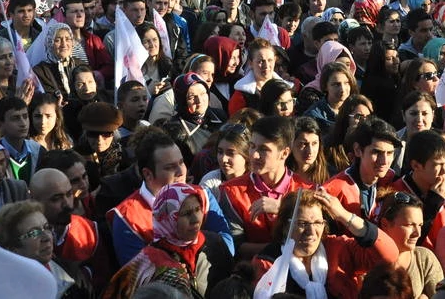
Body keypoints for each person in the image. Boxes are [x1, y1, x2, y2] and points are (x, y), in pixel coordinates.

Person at [108, 130, 231, 266]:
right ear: (148, 174)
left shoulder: (202, 195)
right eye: (170, 167)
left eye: (181, 162)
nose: (181, 172)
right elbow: (137, 275)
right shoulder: (128, 218)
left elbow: (227, 245)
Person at [252, 187, 399, 298]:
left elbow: (388, 256)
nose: (311, 231)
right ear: (285, 226)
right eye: (302, 223)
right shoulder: (267, 263)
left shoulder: (337, 248)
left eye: (317, 223)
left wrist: (344, 215)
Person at [218, 116, 313, 257]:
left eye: (263, 149)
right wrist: (281, 249)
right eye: (252, 146)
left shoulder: (306, 189)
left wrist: (283, 209)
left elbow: (314, 240)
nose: (254, 155)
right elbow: (235, 246)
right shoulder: (232, 191)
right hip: (254, 273)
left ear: (285, 153)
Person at [102, 183, 213, 299]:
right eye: (186, 214)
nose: (195, 219)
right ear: (165, 218)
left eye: (198, 209)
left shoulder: (214, 244)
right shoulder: (151, 263)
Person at [0, 200, 91, 299]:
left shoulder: (67, 269)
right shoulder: (4, 293)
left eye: (47, 227)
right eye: (34, 233)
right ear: (13, 249)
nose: (46, 237)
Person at [323, 118, 400, 219]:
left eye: (389, 153)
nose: (384, 161)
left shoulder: (392, 180)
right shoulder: (334, 191)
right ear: (358, 150)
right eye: (376, 152)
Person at [375, 191, 444, 299]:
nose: (418, 233)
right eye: (409, 225)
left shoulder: (424, 258)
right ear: (385, 224)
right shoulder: (367, 261)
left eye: (420, 225)